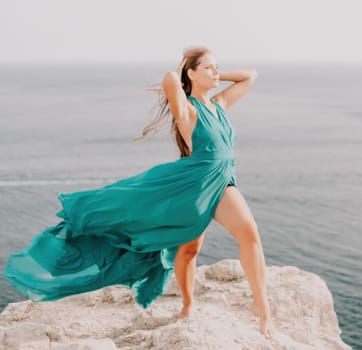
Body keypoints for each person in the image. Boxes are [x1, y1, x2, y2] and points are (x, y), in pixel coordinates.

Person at [3, 46, 273, 339]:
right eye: (208, 68)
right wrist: (184, 68)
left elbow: (250, 76)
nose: (216, 72)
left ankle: (261, 305)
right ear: (192, 73)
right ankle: (188, 304)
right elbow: (171, 78)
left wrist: (217, 72)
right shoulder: (188, 110)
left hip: (222, 180)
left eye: (216, 67)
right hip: (193, 185)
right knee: (189, 249)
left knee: (249, 232)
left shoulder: (218, 104)